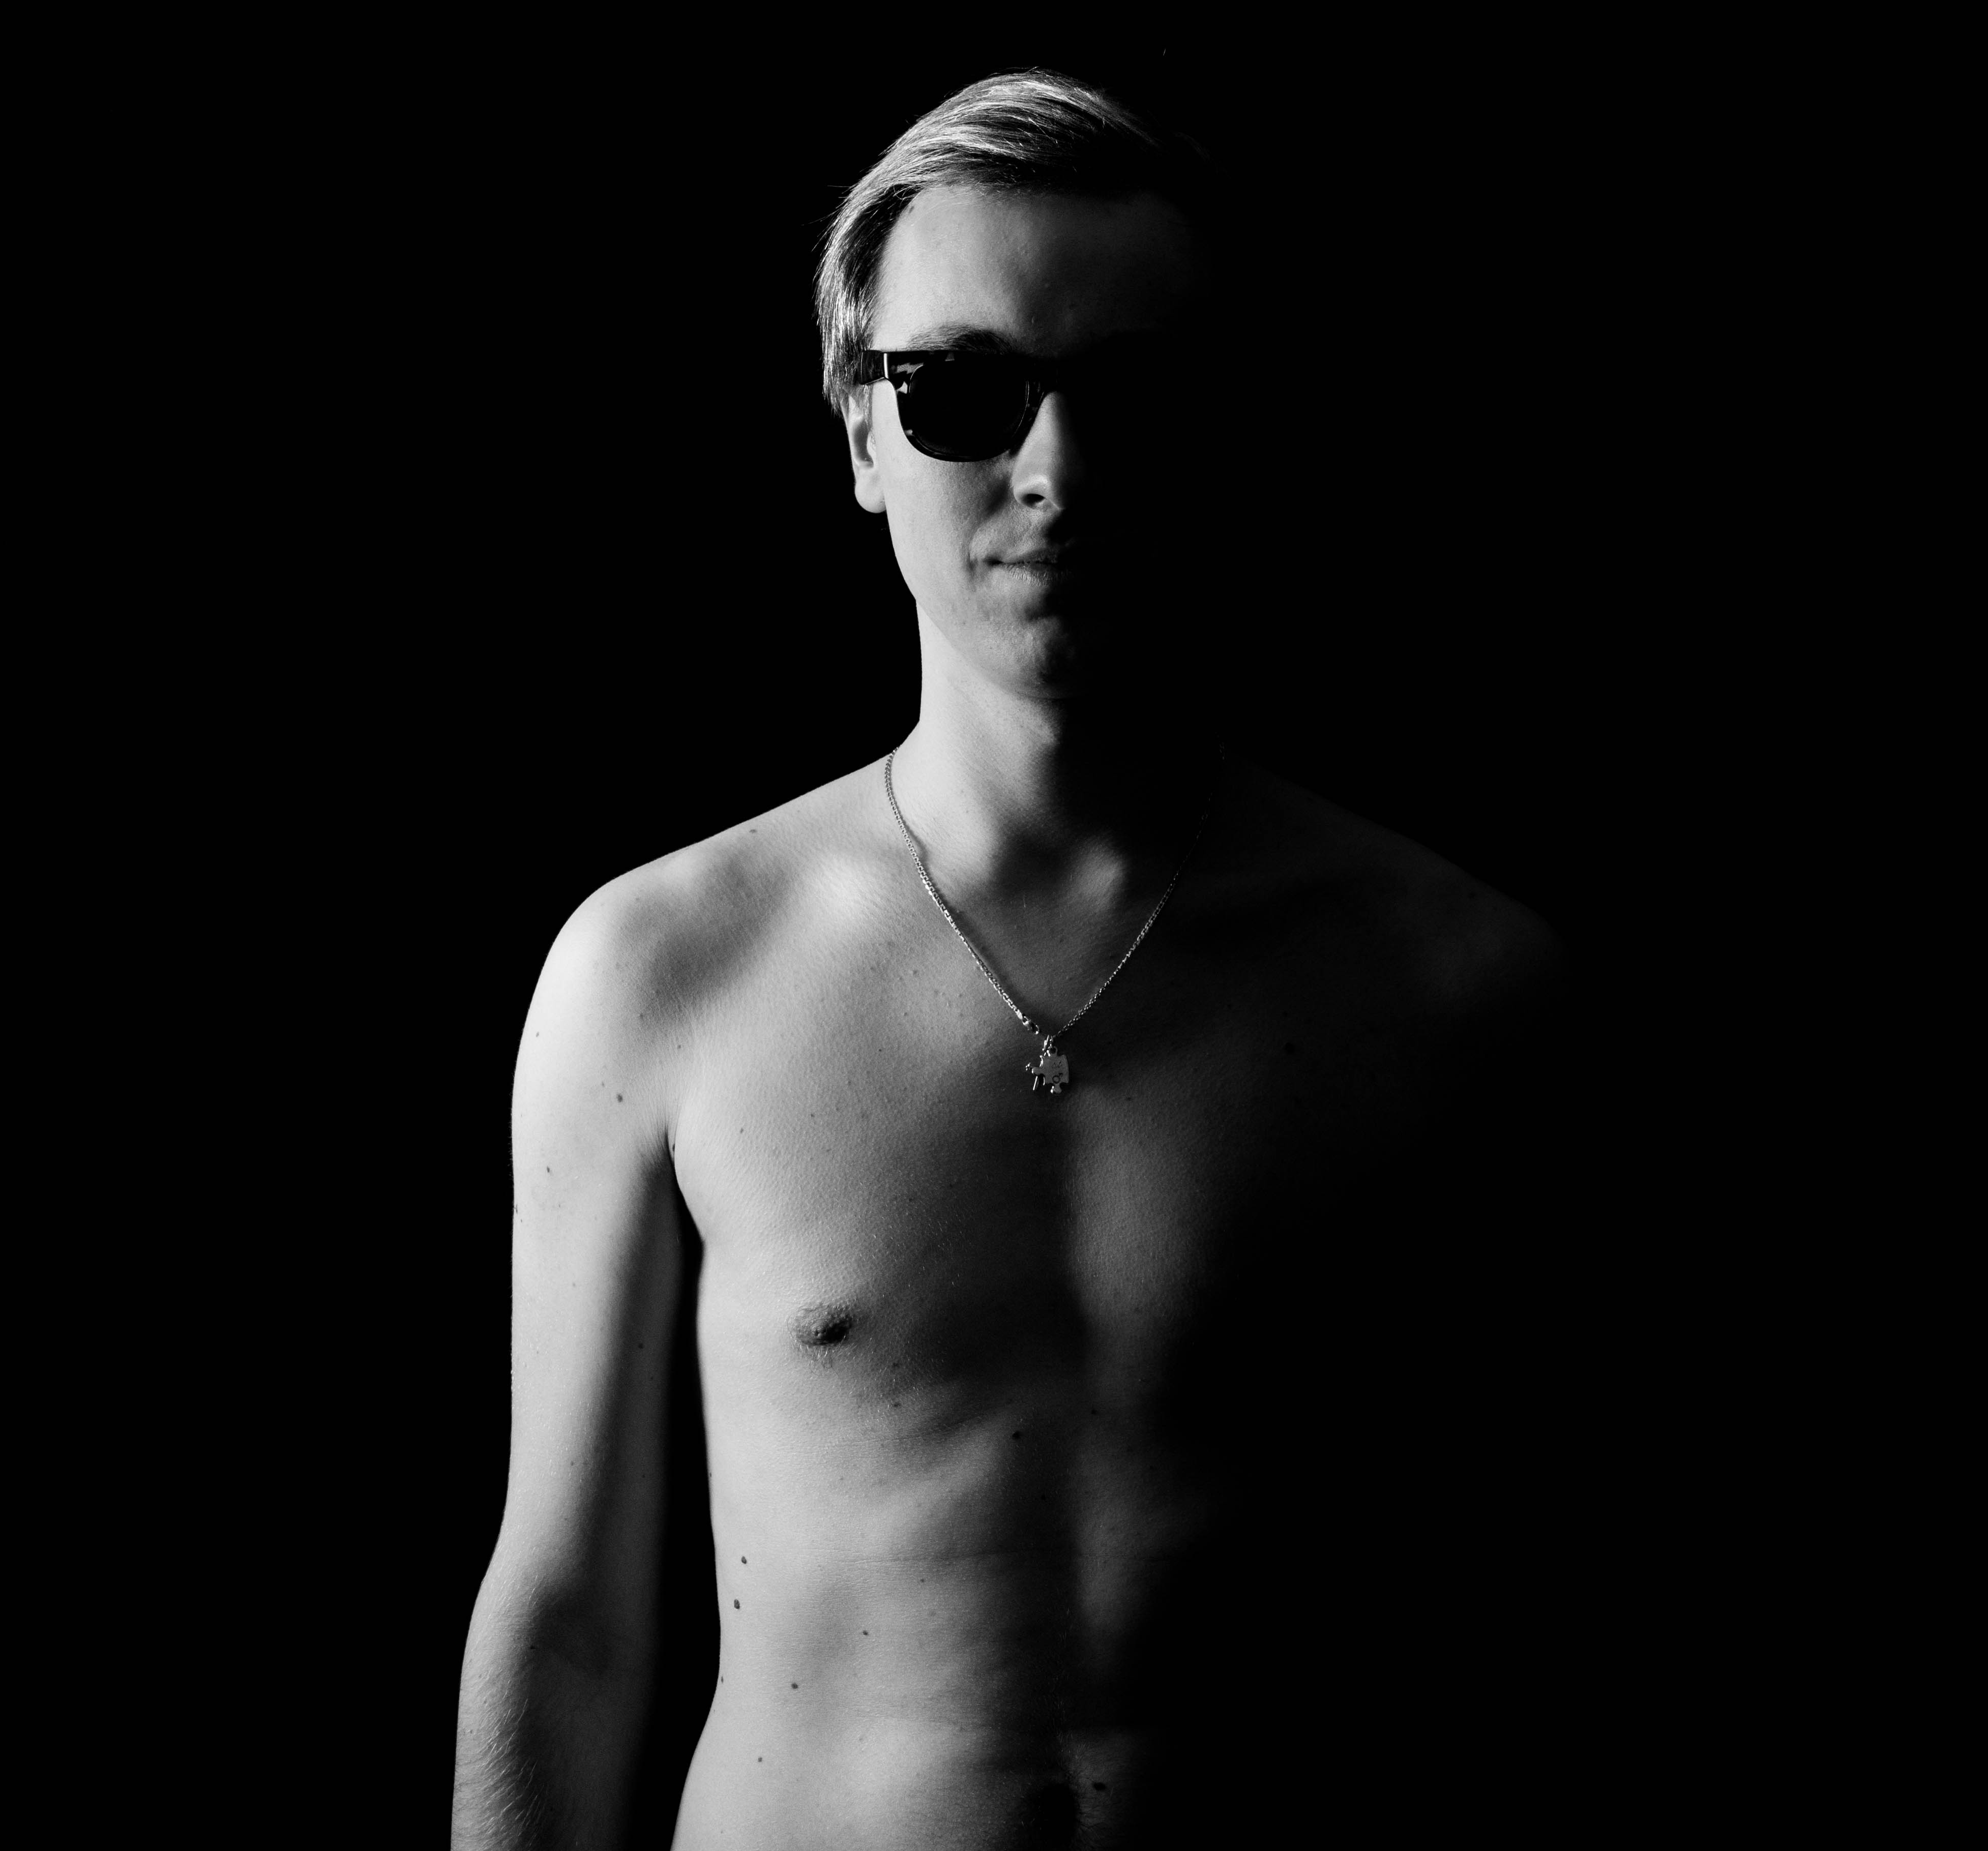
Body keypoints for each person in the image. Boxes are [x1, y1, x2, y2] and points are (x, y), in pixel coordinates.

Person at [453, 69, 1564, 1849]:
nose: (1058, 472)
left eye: (1135, 395)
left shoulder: (1456, 992)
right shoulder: (663, 971)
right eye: (962, 392)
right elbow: (568, 1618)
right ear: (863, 437)